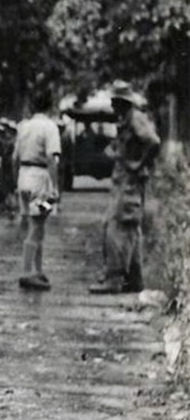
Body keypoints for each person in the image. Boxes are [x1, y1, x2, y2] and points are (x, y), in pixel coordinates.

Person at [89, 81, 160, 294]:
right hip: (126, 180)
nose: (111, 105)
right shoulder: (127, 120)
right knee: (130, 228)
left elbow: (153, 141)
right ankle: (134, 279)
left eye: (114, 101)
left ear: (122, 102)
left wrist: (138, 165)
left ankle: (115, 278)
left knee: (116, 227)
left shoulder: (136, 119)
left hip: (130, 181)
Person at [13, 90, 61, 290]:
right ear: (50, 106)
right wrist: (55, 185)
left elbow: (14, 157)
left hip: (24, 175)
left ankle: (37, 269)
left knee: (35, 224)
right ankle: (27, 272)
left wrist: (14, 181)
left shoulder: (23, 126)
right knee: (37, 226)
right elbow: (51, 158)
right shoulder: (49, 127)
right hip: (40, 177)